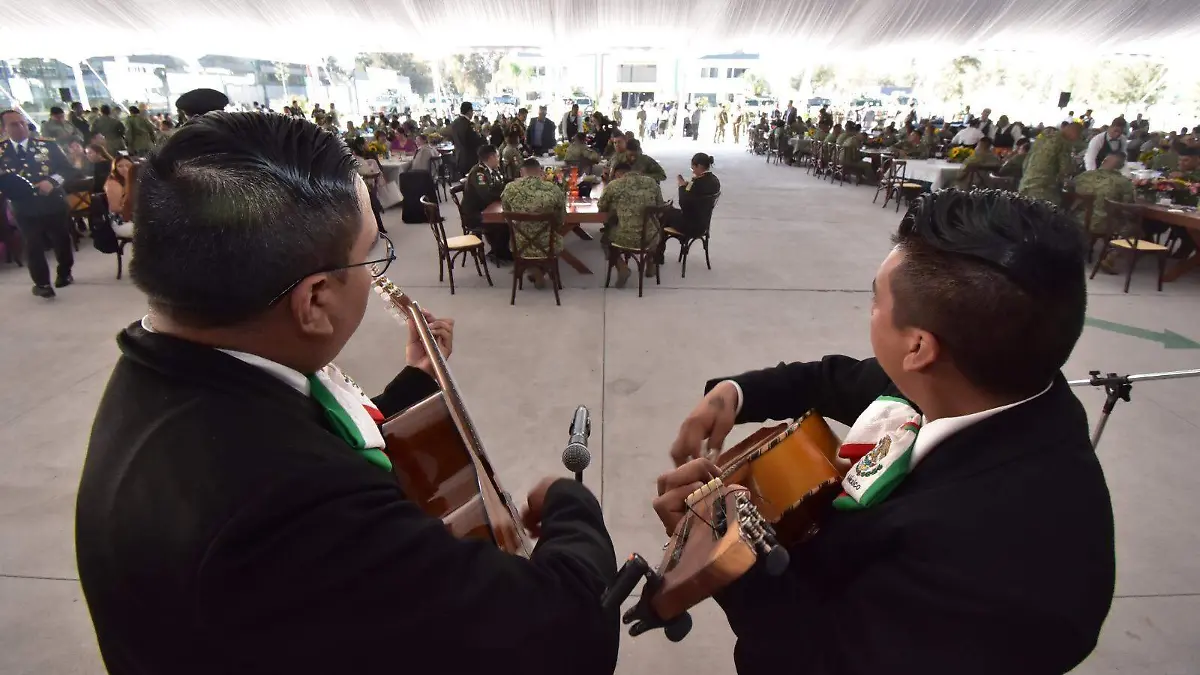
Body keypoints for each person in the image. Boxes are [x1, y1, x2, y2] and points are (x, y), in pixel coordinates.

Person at [76, 112, 619, 675]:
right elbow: (566, 635)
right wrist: (569, 505)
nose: (376, 273)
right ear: (313, 301)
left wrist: (418, 380)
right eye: (370, 254)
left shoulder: (168, 371)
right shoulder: (288, 509)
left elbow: (311, 433)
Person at [658, 190, 1114, 675]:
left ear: (919, 347)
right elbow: (832, 379)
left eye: (876, 300)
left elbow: (813, 657)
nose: (870, 312)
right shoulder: (990, 375)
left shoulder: (1003, 573)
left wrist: (727, 558)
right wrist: (733, 393)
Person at [0, 109, 77, 297]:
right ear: (3, 129)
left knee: (61, 240)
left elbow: (67, 169)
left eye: (22, 123)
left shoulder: (47, 145)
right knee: (33, 244)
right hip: (23, 206)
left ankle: (65, 272)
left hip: (52, 202)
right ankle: (42, 283)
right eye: (13, 124)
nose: (20, 127)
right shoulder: (2, 151)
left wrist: (52, 182)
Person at [501, 158, 566, 289]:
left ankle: (534, 270)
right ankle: (540, 270)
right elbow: (560, 219)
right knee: (554, 240)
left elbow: (506, 216)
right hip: (548, 244)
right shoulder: (553, 189)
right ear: (540, 171)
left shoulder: (510, 189)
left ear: (521, 172)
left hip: (520, 244)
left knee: (526, 243)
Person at [598, 162, 664, 286]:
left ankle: (622, 267)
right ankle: (650, 264)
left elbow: (601, 207)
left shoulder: (614, 185)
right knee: (654, 230)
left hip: (624, 237)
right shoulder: (651, 182)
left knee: (605, 241)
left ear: (617, 173)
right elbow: (660, 207)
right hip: (650, 237)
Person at [1074, 153, 1135, 274]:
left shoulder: (1084, 175)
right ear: (1121, 166)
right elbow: (1129, 206)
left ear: (1103, 161)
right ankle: (1111, 256)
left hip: (1077, 219)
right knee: (1135, 228)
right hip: (1103, 223)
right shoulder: (1123, 182)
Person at [658, 152, 720, 264]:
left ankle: (658, 256)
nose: (692, 170)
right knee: (668, 210)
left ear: (699, 166)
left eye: (693, 168)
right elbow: (698, 195)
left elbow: (684, 204)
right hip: (704, 222)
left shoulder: (697, 182)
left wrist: (682, 187)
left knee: (664, 214)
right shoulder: (715, 180)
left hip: (691, 224)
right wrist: (688, 186)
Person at [461, 145, 511, 264]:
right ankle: (498, 252)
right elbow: (486, 195)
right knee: (503, 221)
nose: (499, 159)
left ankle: (501, 250)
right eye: (498, 156)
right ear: (491, 157)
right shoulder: (479, 173)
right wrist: (506, 193)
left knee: (507, 218)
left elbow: (501, 183)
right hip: (474, 213)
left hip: (487, 208)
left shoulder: (492, 169)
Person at [1019, 121, 1082, 205]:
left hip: (1025, 184)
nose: (1076, 140)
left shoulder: (1043, 137)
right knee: (1050, 212)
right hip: (1043, 189)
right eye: (1078, 136)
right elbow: (1065, 169)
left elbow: (1027, 159)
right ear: (1074, 133)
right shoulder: (1063, 142)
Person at [103, 154, 138, 239]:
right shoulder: (112, 183)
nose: (125, 168)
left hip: (136, 217)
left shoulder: (136, 179)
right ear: (115, 168)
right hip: (121, 221)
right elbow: (114, 208)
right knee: (153, 231)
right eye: (120, 166)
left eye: (128, 165)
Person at [451, 102, 484, 177]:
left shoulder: (454, 123)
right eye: (472, 111)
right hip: (470, 158)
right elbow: (473, 141)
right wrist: (482, 138)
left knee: (464, 182)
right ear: (469, 111)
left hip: (459, 157)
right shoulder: (469, 124)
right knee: (472, 181)